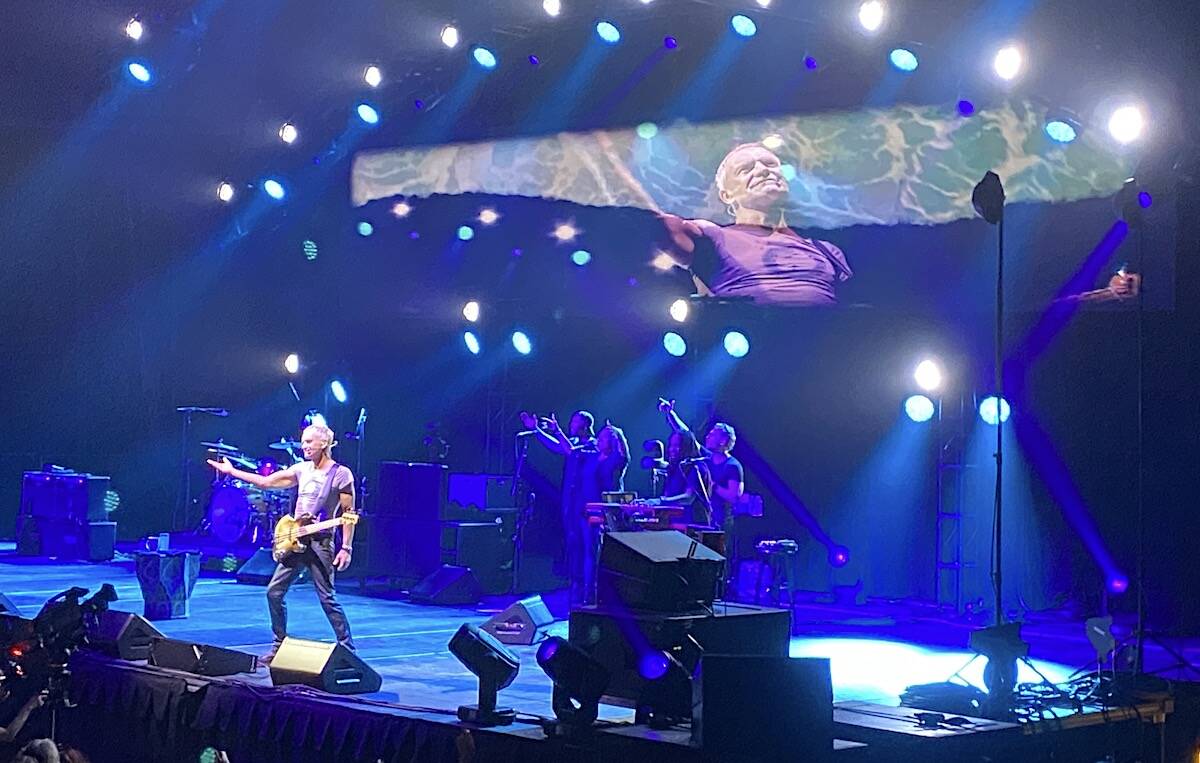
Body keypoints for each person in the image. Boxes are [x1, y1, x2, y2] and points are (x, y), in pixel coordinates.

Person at [208, 423, 356, 662]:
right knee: (274, 592)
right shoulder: (301, 470)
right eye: (303, 441)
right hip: (295, 539)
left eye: (309, 442)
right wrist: (233, 472)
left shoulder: (340, 474)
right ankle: (279, 644)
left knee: (327, 597)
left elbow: (349, 513)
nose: (304, 446)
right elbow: (266, 483)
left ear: (324, 444)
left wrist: (346, 547)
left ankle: (347, 648)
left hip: (321, 541)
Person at [659, 142, 852, 306]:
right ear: (727, 195)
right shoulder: (712, 236)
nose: (763, 170)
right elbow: (659, 229)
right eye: (746, 169)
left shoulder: (826, 251)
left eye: (770, 164)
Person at [519, 410, 597, 604]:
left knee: (586, 545)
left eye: (575, 422)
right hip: (570, 499)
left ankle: (589, 589)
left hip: (585, 500)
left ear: (585, 426)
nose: (571, 424)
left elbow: (571, 450)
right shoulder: (572, 441)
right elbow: (557, 447)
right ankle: (575, 585)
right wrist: (536, 430)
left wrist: (557, 430)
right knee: (572, 543)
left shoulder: (593, 444)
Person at [657, 399, 744, 531]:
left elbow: (734, 496)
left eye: (713, 434)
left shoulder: (733, 466)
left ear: (723, 441)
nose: (708, 436)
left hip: (720, 521)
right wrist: (670, 413)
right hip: (702, 517)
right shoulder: (707, 457)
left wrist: (712, 485)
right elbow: (687, 435)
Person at [643, 430, 713, 526]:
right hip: (675, 523)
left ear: (687, 447)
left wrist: (659, 501)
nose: (672, 449)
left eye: (676, 446)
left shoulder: (697, 467)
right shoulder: (675, 468)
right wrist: (647, 503)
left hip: (693, 525)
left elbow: (688, 498)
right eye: (671, 445)